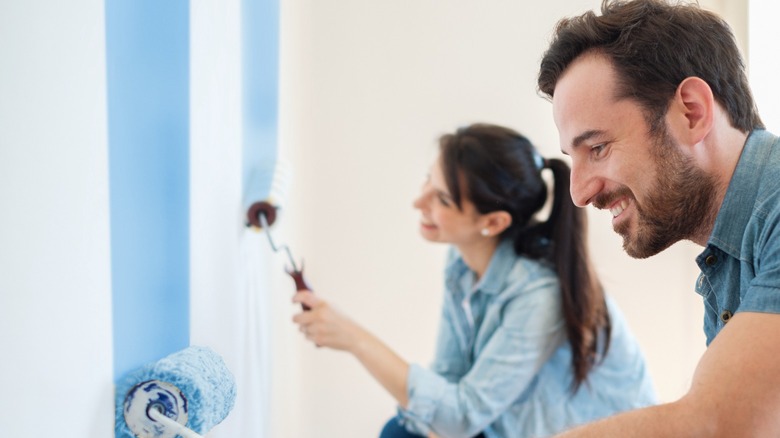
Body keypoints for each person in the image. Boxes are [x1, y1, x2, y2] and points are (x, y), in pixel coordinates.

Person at [291, 123, 656, 438]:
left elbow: (462, 417)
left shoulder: (540, 295)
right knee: (402, 430)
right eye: (427, 181)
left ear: (493, 223)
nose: (419, 202)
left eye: (443, 199)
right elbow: (450, 379)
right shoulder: (462, 263)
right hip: (508, 423)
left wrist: (354, 339)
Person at [537, 0, 780, 435]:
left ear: (692, 112)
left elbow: (721, 424)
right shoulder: (730, 251)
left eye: (598, 148)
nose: (577, 193)